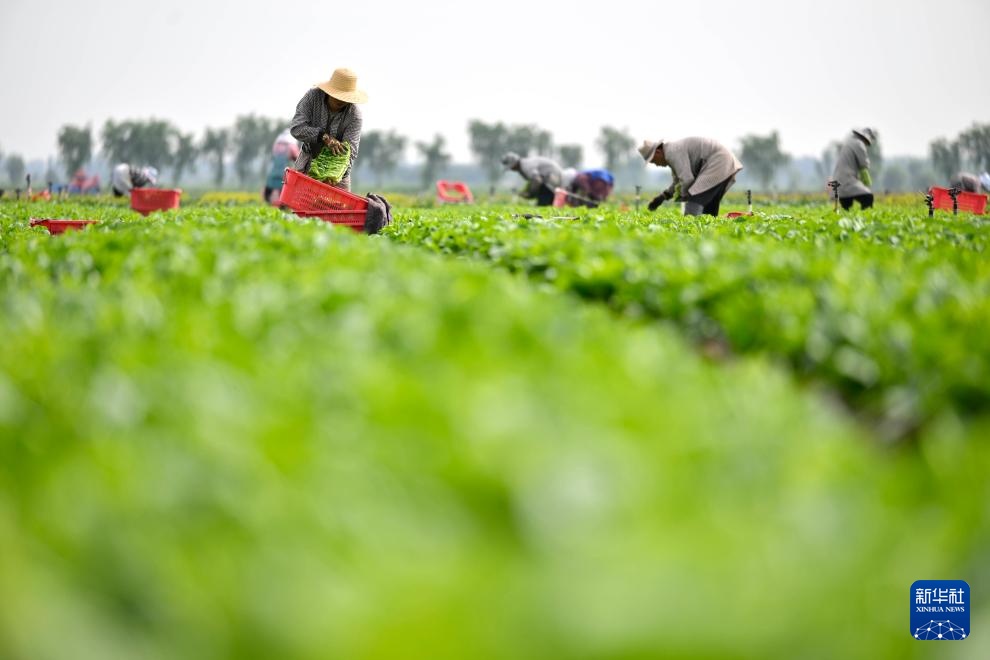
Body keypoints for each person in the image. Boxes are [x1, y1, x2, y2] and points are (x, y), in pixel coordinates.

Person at [290, 67, 367, 191]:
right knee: (302, 205)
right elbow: (296, 128)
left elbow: (350, 152)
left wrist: (331, 174)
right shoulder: (312, 97)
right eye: (338, 94)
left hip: (337, 176)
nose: (341, 99)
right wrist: (324, 137)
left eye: (345, 96)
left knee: (335, 209)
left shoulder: (354, 115)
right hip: (307, 163)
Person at [639, 137, 742, 216]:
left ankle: (689, 236)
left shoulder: (672, 152)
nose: (656, 165)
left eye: (653, 161)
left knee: (694, 202)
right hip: (722, 163)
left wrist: (685, 199)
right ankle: (707, 238)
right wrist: (662, 197)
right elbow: (678, 182)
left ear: (658, 152)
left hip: (718, 162)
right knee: (708, 212)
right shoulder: (672, 152)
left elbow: (687, 180)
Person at [831, 128, 877, 210]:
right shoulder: (859, 144)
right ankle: (866, 220)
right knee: (868, 197)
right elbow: (864, 165)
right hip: (847, 180)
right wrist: (867, 183)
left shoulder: (849, 142)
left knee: (847, 207)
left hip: (838, 181)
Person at [264, 129, 301, 204]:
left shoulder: (276, 145)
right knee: (284, 190)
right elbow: (298, 158)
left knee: (272, 188)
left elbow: (273, 156)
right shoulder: (291, 145)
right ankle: (281, 204)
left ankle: (274, 204)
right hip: (285, 172)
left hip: (273, 172)